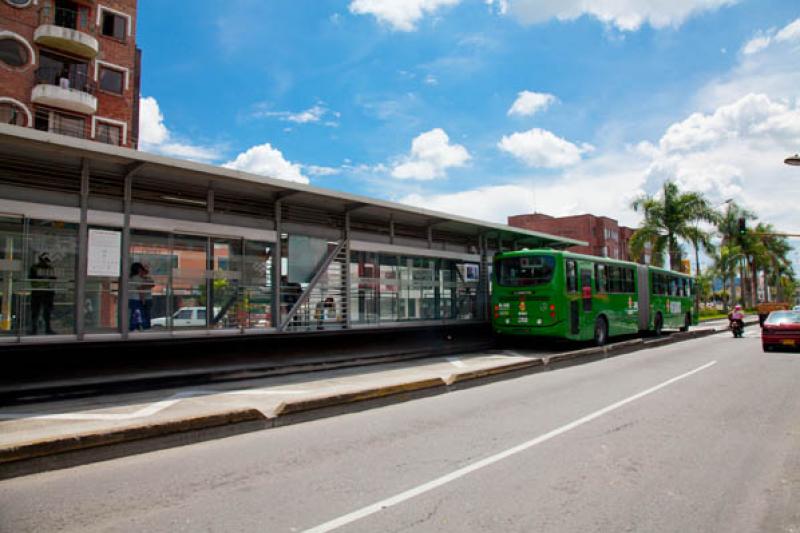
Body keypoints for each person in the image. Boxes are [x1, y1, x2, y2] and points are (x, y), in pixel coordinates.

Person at [29, 252, 56, 334]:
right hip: (39, 293)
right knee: (35, 312)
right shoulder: (34, 268)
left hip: (46, 293)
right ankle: (35, 329)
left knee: (46, 312)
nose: (46, 262)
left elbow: (53, 279)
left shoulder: (50, 268)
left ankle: (47, 329)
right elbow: (32, 280)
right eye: (45, 259)